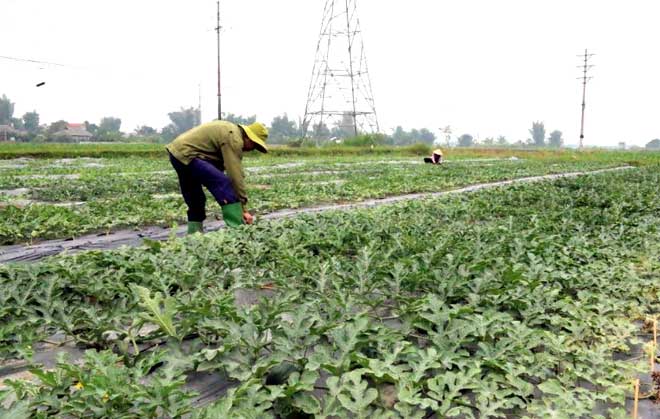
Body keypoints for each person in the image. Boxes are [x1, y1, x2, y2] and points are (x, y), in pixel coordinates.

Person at [166, 120, 268, 233]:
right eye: (254, 145)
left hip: (176, 153)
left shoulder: (229, 131)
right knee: (223, 184)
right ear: (249, 138)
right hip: (189, 154)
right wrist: (243, 208)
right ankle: (239, 231)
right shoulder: (234, 138)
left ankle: (193, 235)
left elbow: (216, 165)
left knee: (195, 197)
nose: (252, 149)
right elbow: (235, 175)